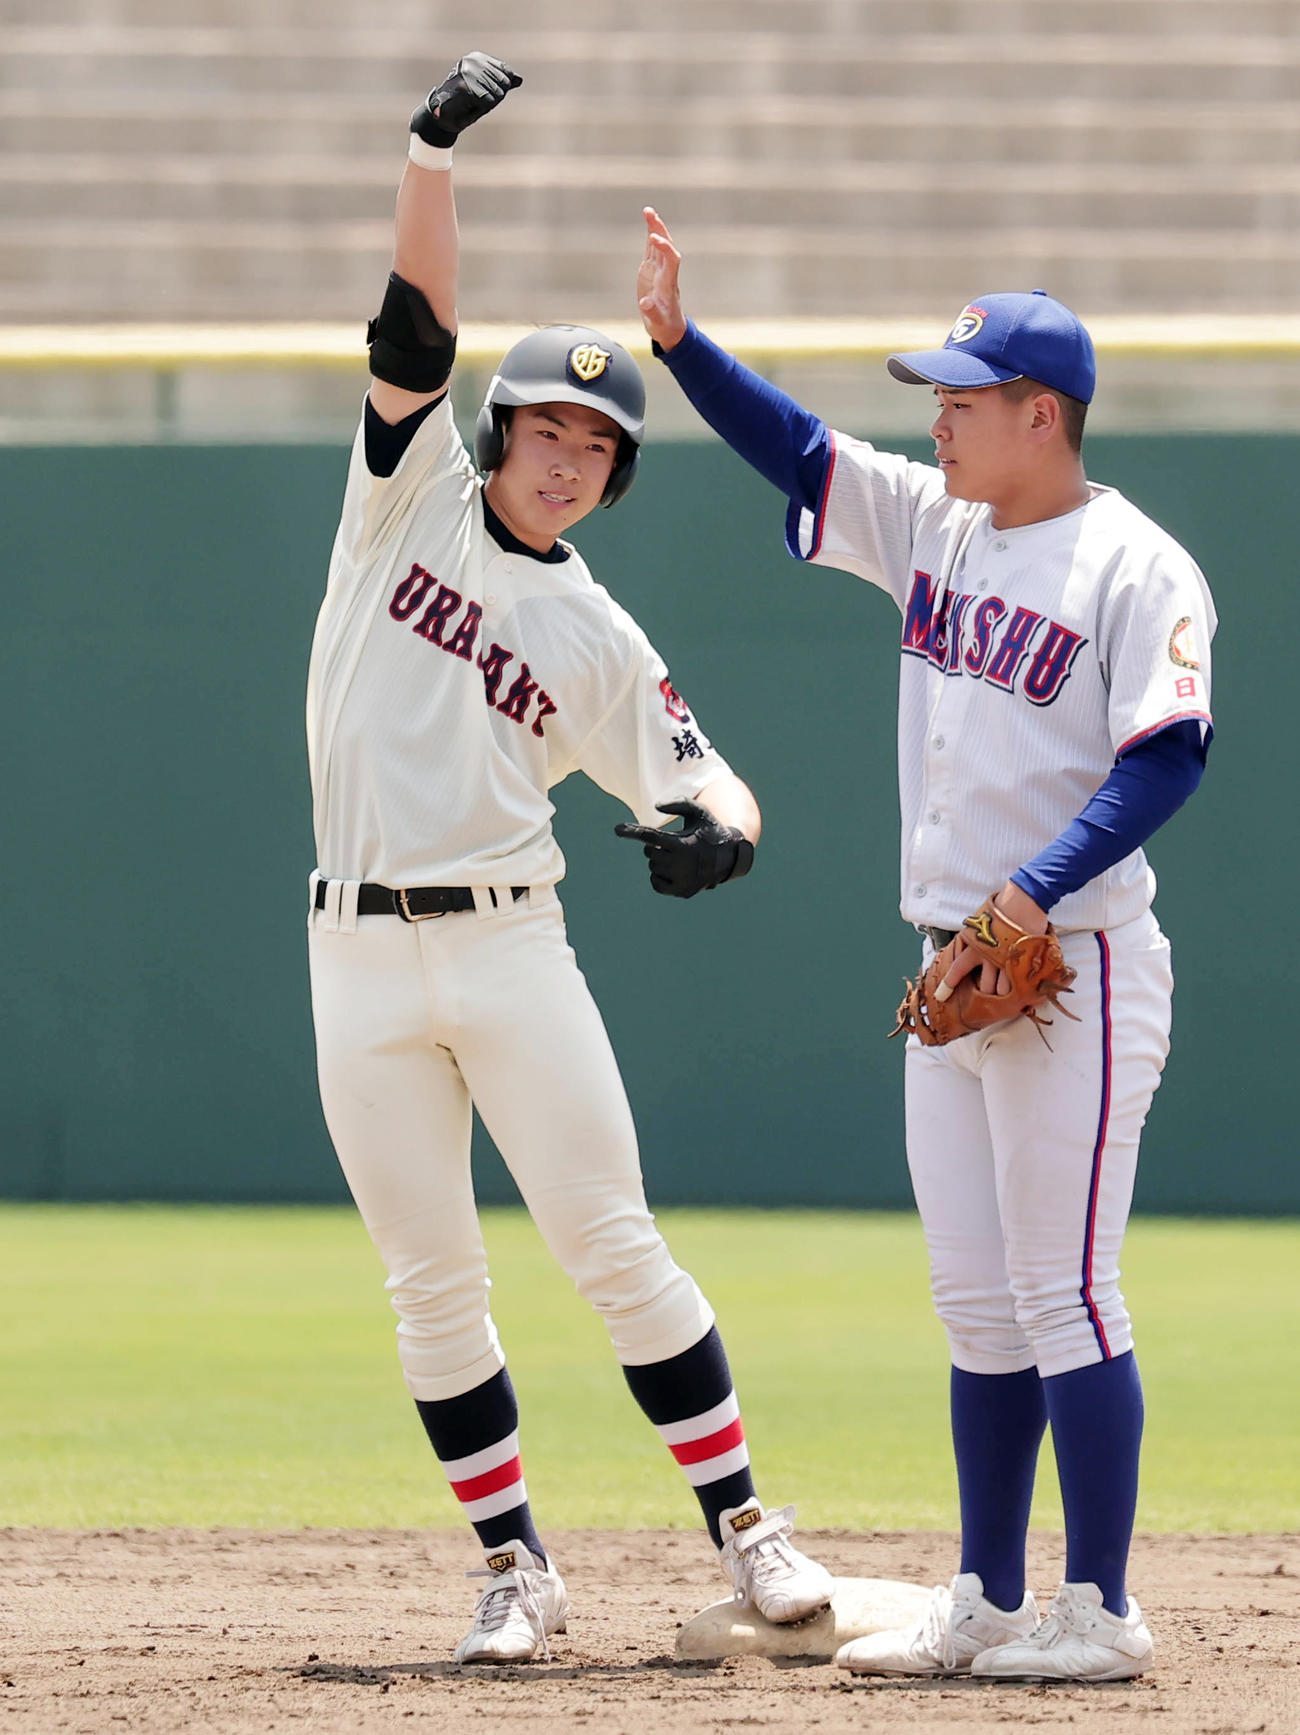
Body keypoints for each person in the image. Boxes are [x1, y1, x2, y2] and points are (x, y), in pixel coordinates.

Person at [303, 56, 833, 1667]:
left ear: (615, 473)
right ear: (500, 431)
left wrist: (718, 839)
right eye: (543, 425)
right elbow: (412, 329)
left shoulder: (597, 636)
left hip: (512, 946)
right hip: (355, 953)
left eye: (595, 443)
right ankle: (515, 1567)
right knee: (429, 1287)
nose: (564, 455)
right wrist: (428, 155)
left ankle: (749, 1529)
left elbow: (719, 781)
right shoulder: (408, 505)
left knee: (612, 1245)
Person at [637, 210, 1215, 1683]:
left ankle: (1101, 1611)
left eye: (963, 399)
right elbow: (804, 452)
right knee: (975, 1298)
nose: (938, 420)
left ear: (1044, 414)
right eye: (936, 399)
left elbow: (1166, 757)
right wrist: (679, 345)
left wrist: (1033, 889)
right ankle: (991, 1597)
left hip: (1073, 971)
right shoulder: (938, 524)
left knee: (1066, 1288)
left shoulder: (1136, 566)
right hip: (953, 976)